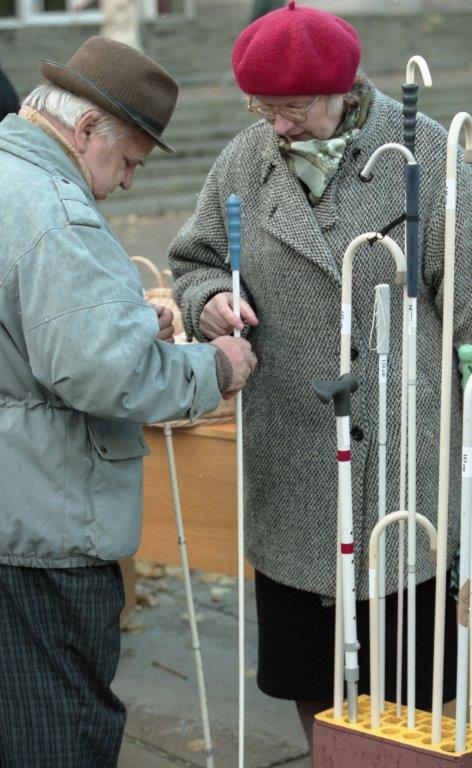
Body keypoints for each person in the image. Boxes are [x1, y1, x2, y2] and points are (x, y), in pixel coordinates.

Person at [168, 1, 472, 751]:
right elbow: (195, 260)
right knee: (312, 669)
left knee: (408, 669)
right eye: (262, 107)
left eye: (293, 108)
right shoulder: (245, 160)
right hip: (294, 462)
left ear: (341, 90)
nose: (277, 124)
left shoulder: (426, 156)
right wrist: (208, 302)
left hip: (405, 458)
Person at [0, 36, 256, 768]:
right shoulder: (56, 212)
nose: (128, 183)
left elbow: (37, 335)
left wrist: (124, 323)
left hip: (18, 509)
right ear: (86, 130)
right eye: (129, 162)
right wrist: (214, 367)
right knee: (60, 735)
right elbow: (105, 377)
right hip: (47, 522)